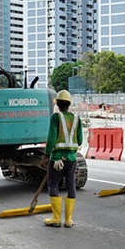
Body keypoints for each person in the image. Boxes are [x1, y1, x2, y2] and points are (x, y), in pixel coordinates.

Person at [41, 90, 82, 228]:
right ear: (69, 104)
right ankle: (68, 220)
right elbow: (80, 140)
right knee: (71, 186)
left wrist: (47, 155)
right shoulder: (76, 119)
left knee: (53, 184)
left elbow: (51, 137)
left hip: (57, 159)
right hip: (71, 158)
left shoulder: (55, 117)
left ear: (57, 104)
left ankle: (56, 218)